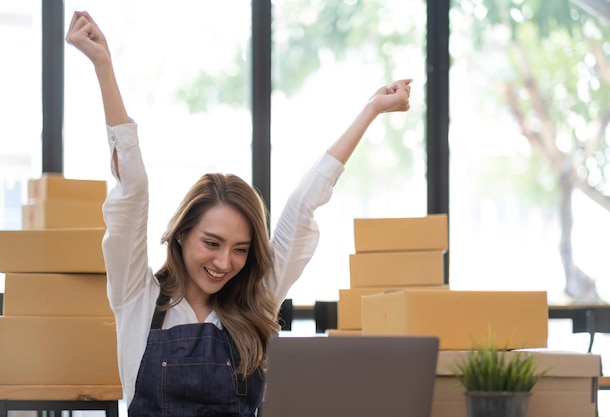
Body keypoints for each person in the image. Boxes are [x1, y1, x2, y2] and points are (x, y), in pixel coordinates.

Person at [66, 10, 411, 417]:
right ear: (181, 234)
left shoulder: (256, 301)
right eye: (212, 243)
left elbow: (304, 204)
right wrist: (103, 65)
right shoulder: (136, 296)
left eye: (240, 249)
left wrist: (371, 110)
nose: (224, 262)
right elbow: (134, 188)